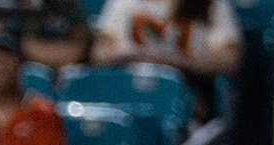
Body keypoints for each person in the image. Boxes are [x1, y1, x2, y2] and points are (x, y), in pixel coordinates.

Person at [91, 0, 240, 87]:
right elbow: (99, 54)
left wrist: (170, 60)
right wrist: (134, 56)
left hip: (186, 89)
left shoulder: (212, 5)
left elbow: (229, 60)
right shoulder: (124, 2)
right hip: (125, 85)